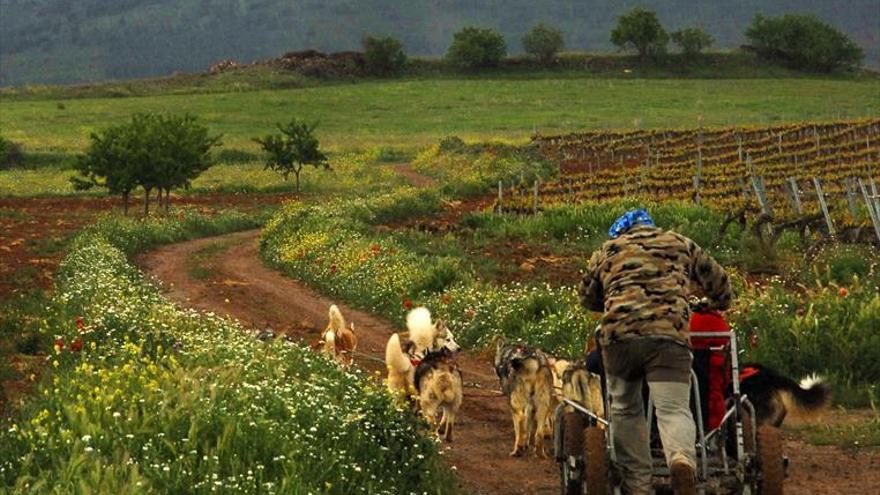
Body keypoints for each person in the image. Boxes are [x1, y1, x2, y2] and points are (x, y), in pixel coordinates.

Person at [578, 209, 731, 495]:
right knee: (673, 409)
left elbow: (587, 296)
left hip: (620, 339)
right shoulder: (681, 243)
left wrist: (613, 298)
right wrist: (717, 302)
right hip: (668, 337)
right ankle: (682, 460)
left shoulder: (608, 250)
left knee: (625, 408)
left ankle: (638, 485)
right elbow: (719, 282)